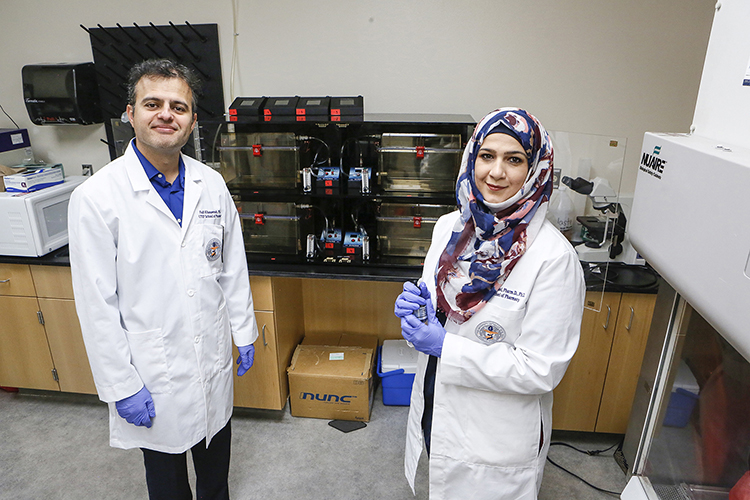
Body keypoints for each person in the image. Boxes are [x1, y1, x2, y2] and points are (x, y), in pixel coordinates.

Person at [68, 59, 258, 500]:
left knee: (216, 471)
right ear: (129, 114)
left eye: (179, 106)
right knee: (168, 481)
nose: (166, 114)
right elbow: (97, 305)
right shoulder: (96, 199)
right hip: (153, 369)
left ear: (192, 122)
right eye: (152, 103)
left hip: (210, 357)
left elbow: (232, 266)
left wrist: (245, 331)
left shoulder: (211, 185)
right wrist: (121, 385)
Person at [394, 108, 585, 500]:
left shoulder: (553, 258)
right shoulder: (450, 227)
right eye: (487, 155)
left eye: (513, 159)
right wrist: (420, 314)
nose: (495, 172)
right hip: (436, 400)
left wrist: (445, 345)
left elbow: (539, 370)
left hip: (495, 434)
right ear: (472, 158)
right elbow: (444, 309)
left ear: (536, 170)